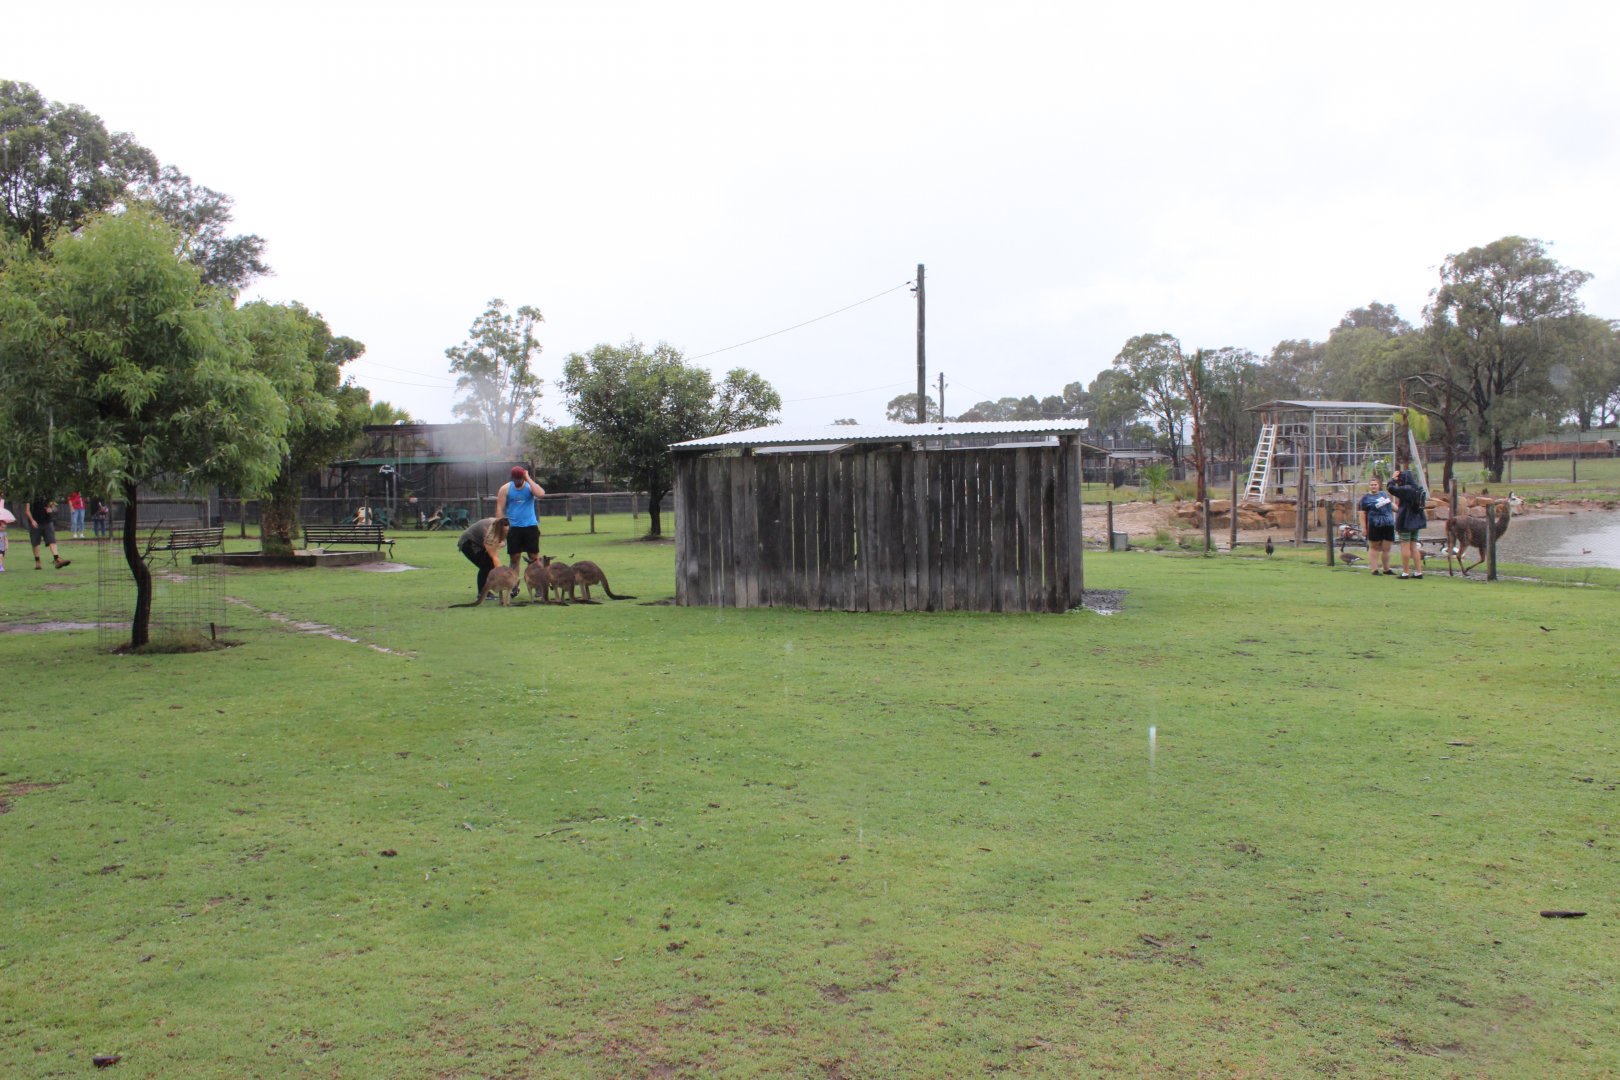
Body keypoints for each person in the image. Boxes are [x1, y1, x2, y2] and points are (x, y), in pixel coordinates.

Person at [494, 466, 545, 596]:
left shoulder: (529, 487)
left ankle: (539, 585)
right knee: (514, 558)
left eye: (519, 478)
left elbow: (541, 494)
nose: (517, 481)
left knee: (534, 557)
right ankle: (514, 585)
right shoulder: (505, 489)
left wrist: (528, 478)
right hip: (514, 528)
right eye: (515, 479)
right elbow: (500, 508)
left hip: (530, 527)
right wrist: (500, 528)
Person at [456, 516, 509, 600]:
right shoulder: (488, 531)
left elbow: (498, 545)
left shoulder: (502, 525)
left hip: (480, 543)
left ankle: (488, 590)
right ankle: (482, 593)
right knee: (486, 566)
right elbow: (493, 555)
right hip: (468, 543)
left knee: (489, 565)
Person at [1387, 469, 1427, 579]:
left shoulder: (1406, 489)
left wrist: (1393, 479)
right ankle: (1418, 572)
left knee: (1405, 546)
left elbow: (1390, 488)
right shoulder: (1417, 488)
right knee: (1413, 547)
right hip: (1417, 520)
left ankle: (1405, 572)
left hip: (1406, 521)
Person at [1357, 475, 1396, 575]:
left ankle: (1386, 569)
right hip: (1375, 525)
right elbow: (1362, 514)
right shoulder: (1365, 499)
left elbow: (1391, 505)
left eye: (1375, 484)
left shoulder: (1384, 494)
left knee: (1387, 548)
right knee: (1374, 547)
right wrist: (1364, 528)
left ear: (1379, 485)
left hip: (1388, 525)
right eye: (1371, 485)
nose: (1373, 486)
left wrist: (1400, 510)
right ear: (1369, 486)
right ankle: (1374, 569)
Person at [24, 497, 71, 570]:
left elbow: (54, 507)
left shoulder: (48, 493)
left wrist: (51, 509)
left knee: (52, 540)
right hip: (35, 522)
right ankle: (37, 562)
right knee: (35, 543)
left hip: (47, 521)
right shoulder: (30, 492)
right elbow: (27, 511)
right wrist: (32, 521)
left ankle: (57, 559)